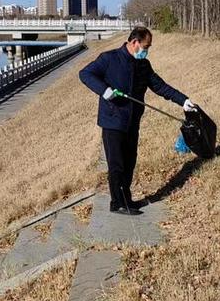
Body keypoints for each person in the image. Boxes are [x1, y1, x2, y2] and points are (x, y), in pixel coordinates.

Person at [79, 26, 197, 215]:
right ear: (134, 42)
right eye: (146, 46)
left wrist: (183, 100)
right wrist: (104, 90)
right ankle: (117, 203)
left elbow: (161, 87)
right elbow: (85, 74)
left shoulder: (143, 65)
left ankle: (126, 198)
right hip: (113, 121)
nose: (147, 50)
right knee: (116, 163)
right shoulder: (109, 59)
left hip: (132, 121)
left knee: (130, 161)